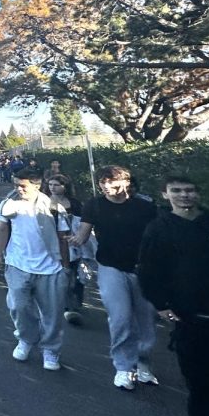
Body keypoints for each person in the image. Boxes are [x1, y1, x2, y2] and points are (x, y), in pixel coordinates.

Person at [138, 174, 209, 416]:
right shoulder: (158, 229)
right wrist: (161, 305)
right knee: (200, 371)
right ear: (165, 194)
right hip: (190, 314)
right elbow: (149, 271)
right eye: (177, 190)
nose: (184, 195)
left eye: (190, 190)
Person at [72, 165, 158, 390]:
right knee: (120, 317)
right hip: (110, 266)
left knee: (145, 319)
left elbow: (158, 236)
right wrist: (73, 242)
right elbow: (82, 233)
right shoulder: (94, 205)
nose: (107, 186)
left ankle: (143, 363)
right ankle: (123, 367)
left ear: (126, 182)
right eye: (102, 182)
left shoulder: (145, 206)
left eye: (112, 182)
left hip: (144, 269)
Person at [0, 167, 72, 371]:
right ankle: (26, 339)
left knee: (52, 313)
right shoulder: (8, 204)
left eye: (23, 186)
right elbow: (2, 229)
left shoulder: (53, 206)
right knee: (18, 306)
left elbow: (63, 238)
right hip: (18, 264)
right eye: (16, 185)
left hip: (50, 268)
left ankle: (51, 349)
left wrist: (65, 266)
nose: (19, 189)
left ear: (36, 185)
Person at [47, 174, 93, 325]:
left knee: (74, 275)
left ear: (64, 186)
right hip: (53, 243)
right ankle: (67, 306)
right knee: (59, 273)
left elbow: (84, 224)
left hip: (72, 243)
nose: (52, 188)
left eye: (56, 185)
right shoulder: (44, 202)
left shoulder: (75, 203)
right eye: (50, 184)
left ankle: (75, 304)